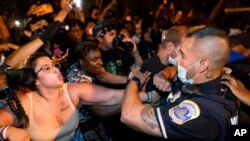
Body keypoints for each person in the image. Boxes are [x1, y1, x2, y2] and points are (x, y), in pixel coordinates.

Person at [121, 27, 238, 141]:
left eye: (183, 55)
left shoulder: (200, 113)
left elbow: (129, 115)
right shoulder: (213, 80)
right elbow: (175, 70)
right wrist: (164, 74)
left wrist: (134, 79)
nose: (178, 60)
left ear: (202, 65)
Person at [0, 53, 151, 141]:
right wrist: (6, 131)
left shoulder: (72, 90)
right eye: (47, 68)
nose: (54, 69)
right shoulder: (24, 103)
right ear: (35, 81)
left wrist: (150, 96)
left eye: (54, 65)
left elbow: (113, 96)